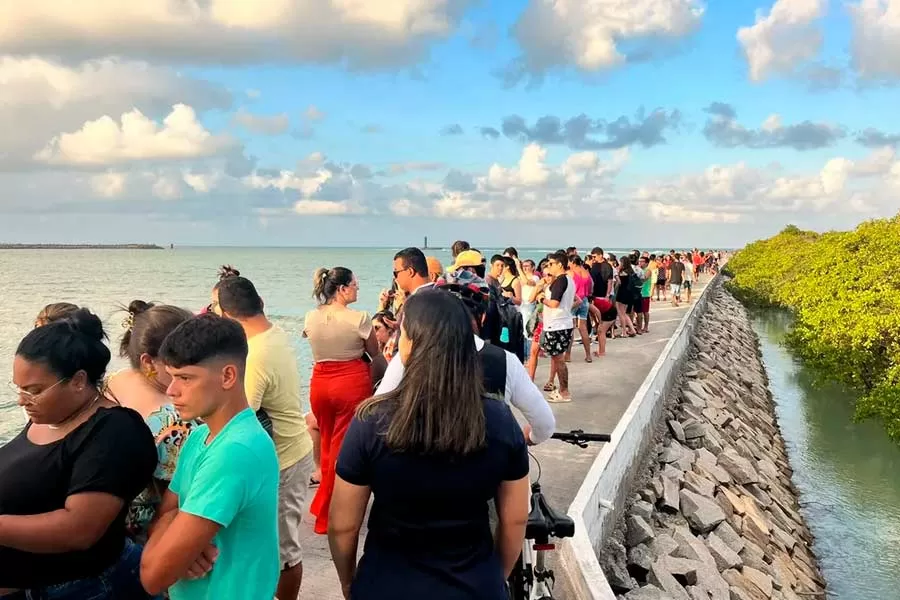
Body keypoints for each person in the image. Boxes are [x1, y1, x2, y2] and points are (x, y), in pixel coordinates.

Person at [329, 290, 530, 599]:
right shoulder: (500, 421)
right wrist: (494, 578)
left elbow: (342, 526)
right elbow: (515, 518)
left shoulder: (371, 422)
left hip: (385, 585)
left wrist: (348, 580)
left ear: (409, 345)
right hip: (475, 586)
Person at [0, 308, 157, 599]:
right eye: (19, 388)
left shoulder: (115, 432)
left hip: (83, 589)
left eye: (34, 390)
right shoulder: (50, 417)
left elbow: (79, 529)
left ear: (78, 380)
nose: (22, 400)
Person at [139, 314, 280, 599]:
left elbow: (152, 576)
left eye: (185, 378)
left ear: (228, 376)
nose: (171, 390)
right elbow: (164, 514)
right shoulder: (198, 437)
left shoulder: (235, 452)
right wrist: (180, 537)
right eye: (171, 376)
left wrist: (175, 540)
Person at [210, 267, 313, 600]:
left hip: (283, 460)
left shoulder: (254, 355)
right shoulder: (274, 332)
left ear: (226, 315)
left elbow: (238, 414)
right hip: (290, 450)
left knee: (283, 553)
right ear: (261, 302)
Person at [376, 269, 555, 446]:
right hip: (488, 464)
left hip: (423, 459)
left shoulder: (409, 355)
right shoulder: (506, 361)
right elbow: (545, 424)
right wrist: (529, 438)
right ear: (483, 317)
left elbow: (376, 412)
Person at [105, 300, 196, 543]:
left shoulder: (113, 382)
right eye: (182, 359)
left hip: (108, 524)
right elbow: (181, 498)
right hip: (150, 534)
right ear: (148, 361)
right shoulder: (173, 419)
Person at [303, 266, 382, 536]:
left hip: (320, 382)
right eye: (355, 284)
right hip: (349, 381)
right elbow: (375, 354)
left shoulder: (311, 316)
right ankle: (329, 512)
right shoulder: (358, 318)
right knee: (342, 448)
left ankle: (323, 502)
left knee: (326, 442)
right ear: (342, 289)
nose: (358, 288)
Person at [538, 251, 575, 402]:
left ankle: (564, 391)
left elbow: (554, 303)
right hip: (561, 323)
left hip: (557, 325)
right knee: (558, 358)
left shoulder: (561, 280)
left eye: (551, 264)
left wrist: (542, 299)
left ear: (560, 264)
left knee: (559, 359)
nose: (549, 266)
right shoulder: (567, 280)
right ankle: (563, 390)